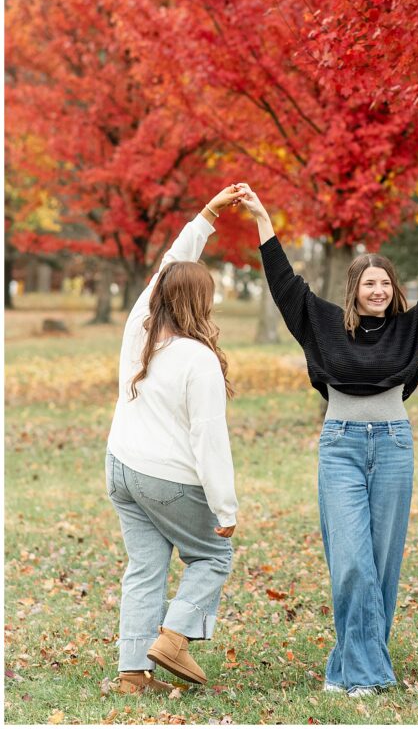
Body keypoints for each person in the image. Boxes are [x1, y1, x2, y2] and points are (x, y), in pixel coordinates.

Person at [236, 181, 418, 697]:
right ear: (353, 289)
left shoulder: (414, 326)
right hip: (341, 446)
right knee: (350, 561)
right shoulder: (323, 324)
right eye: (368, 283)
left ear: (395, 289)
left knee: (382, 564)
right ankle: (368, 673)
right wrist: (263, 220)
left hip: (394, 446)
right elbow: (284, 283)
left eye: (385, 283)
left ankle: (349, 671)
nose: (378, 290)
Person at [106, 186, 243, 694]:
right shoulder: (198, 358)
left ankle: (132, 674)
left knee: (144, 567)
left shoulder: (139, 322)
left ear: (161, 293)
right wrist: (224, 509)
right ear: (202, 303)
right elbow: (209, 440)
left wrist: (206, 215)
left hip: (120, 466)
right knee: (212, 557)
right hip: (166, 477)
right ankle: (173, 636)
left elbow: (172, 260)